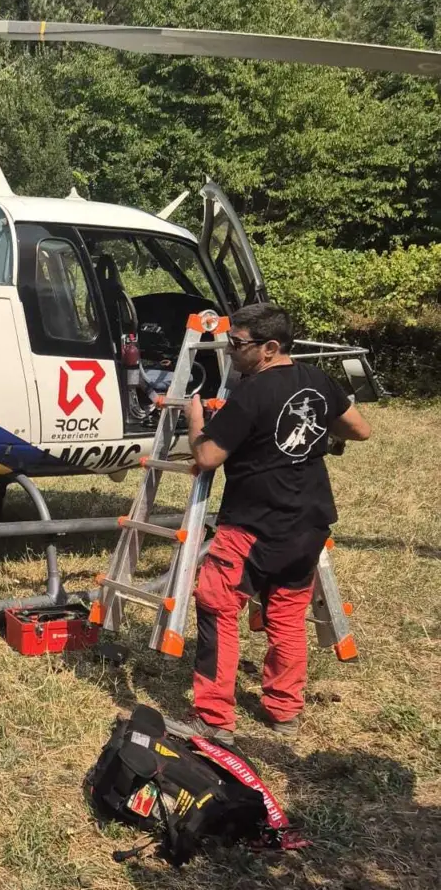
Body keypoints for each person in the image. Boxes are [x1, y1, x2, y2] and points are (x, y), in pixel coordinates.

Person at [185, 302, 371, 745]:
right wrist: (316, 435)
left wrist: (196, 424)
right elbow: (360, 430)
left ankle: (213, 718)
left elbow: (208, 456)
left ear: (269, 348)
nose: (230, 351)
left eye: (238, 344)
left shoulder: (249, 394)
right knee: (286, 613)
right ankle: (284, 710)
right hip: (310, 522)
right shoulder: (318, 381)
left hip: (254, 523)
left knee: (216, 602)